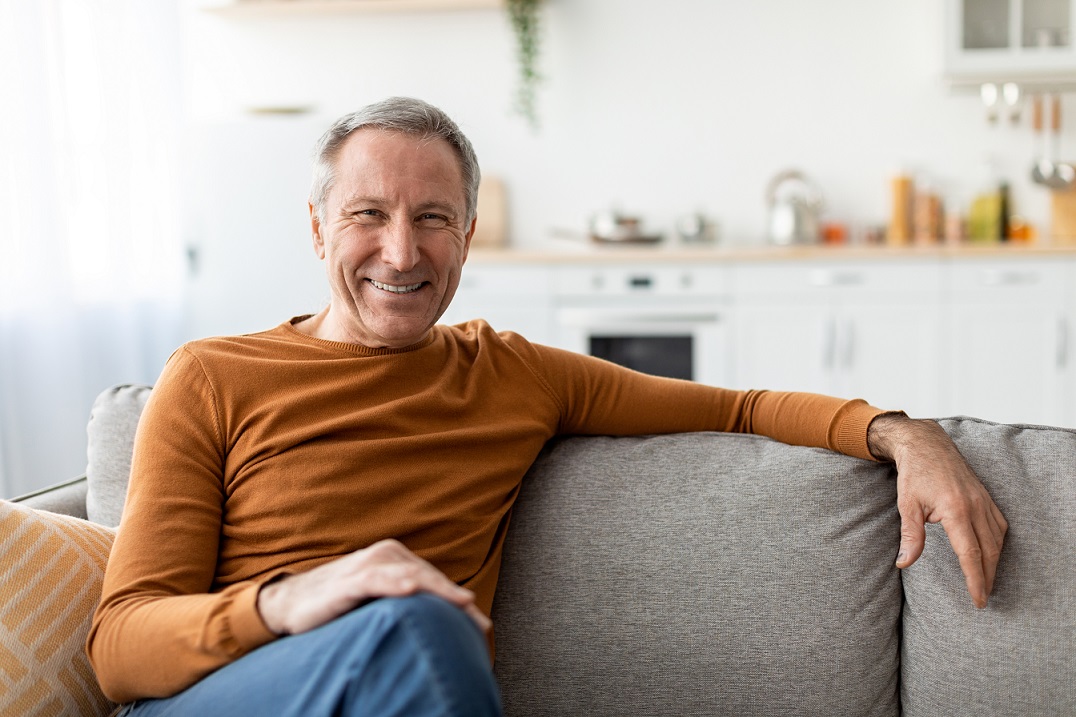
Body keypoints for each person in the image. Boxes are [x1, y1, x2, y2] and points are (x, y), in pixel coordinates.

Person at [87, 97, 1008, 716]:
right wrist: (295, 601)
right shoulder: (211, 375)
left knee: (418, 631)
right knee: (416, 624)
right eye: (368, 214)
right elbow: (121, 647)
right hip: (228, 694)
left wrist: (900, 432)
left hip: (413, 687)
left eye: (434, 218)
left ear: (469, 235)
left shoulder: (511, 373)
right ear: (318, 226)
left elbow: (740, 405)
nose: (401, 252)